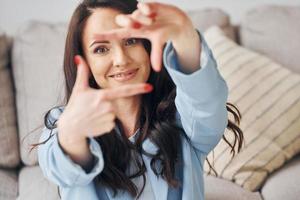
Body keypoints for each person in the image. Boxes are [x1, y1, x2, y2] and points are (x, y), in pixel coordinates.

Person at [36, 0, 243, 199]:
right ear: (85, 62)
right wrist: (72, 138)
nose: (121, 59)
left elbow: (206, 107)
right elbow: (60, 168)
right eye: (101, 49)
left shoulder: (183, 118)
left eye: (131, 41)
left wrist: (184, 35)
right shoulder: (63, 121)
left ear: (147, 46)